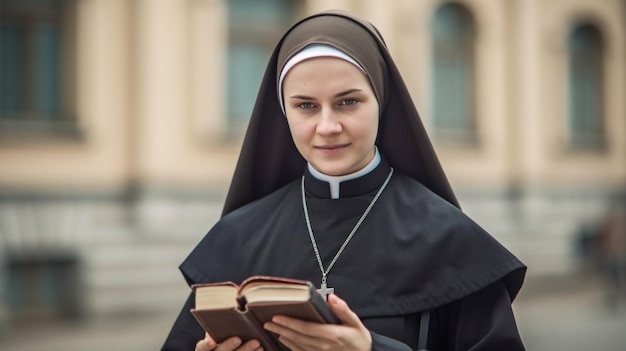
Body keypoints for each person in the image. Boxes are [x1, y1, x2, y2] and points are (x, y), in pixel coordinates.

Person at [162, 9, 527, 351]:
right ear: (283, 112)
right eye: (305, 105)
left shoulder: (451, 241)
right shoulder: (237, 238)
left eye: (348, 102)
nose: (327, 126)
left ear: (380, 102)